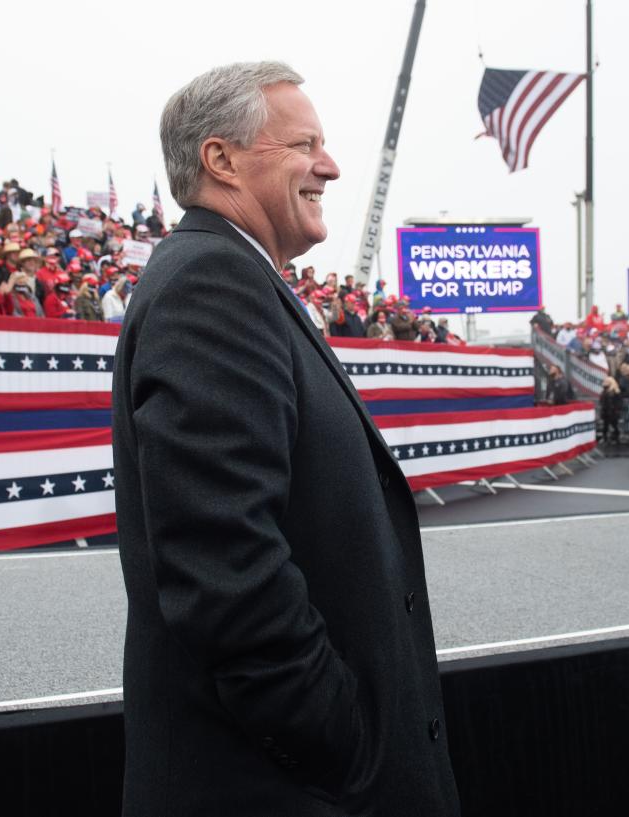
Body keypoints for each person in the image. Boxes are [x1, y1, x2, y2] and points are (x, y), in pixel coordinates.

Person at [111, 61, 459, 816]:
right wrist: (346, 747)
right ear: (222, 159)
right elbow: (228, 576)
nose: (329, 166)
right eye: (304, 144)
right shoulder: (213, 283)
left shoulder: (239, 278)